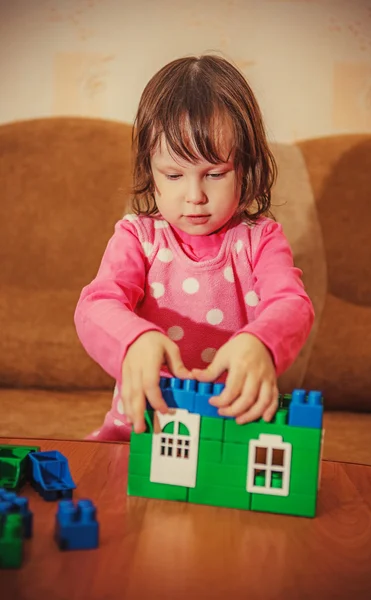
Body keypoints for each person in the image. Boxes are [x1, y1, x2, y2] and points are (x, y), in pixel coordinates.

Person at [74, 54, 314, 441]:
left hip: (231, 435)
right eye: (173, 174)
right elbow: (96, 304)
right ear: (149, 173)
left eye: (215, 174)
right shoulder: (138, 237)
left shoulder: (261, 240)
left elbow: (292, 305)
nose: (194, 196)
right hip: (139, 432)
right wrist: (133, 339)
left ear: (247, 166)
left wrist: (262, 343)